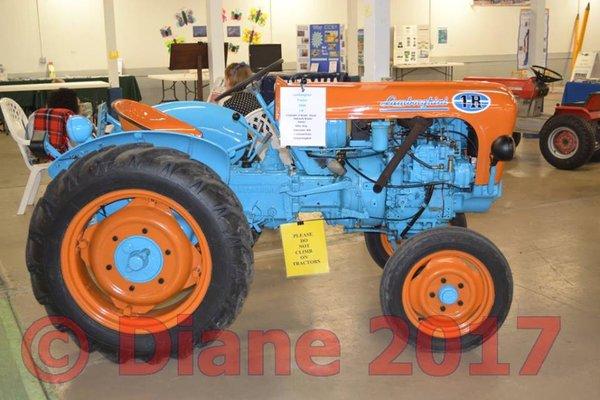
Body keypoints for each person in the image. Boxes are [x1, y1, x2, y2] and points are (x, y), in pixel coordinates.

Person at [27, 88, 80, 158]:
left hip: (38, 156)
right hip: (66, 158)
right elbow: (78, 145)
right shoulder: (70, 119)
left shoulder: (34, 115)